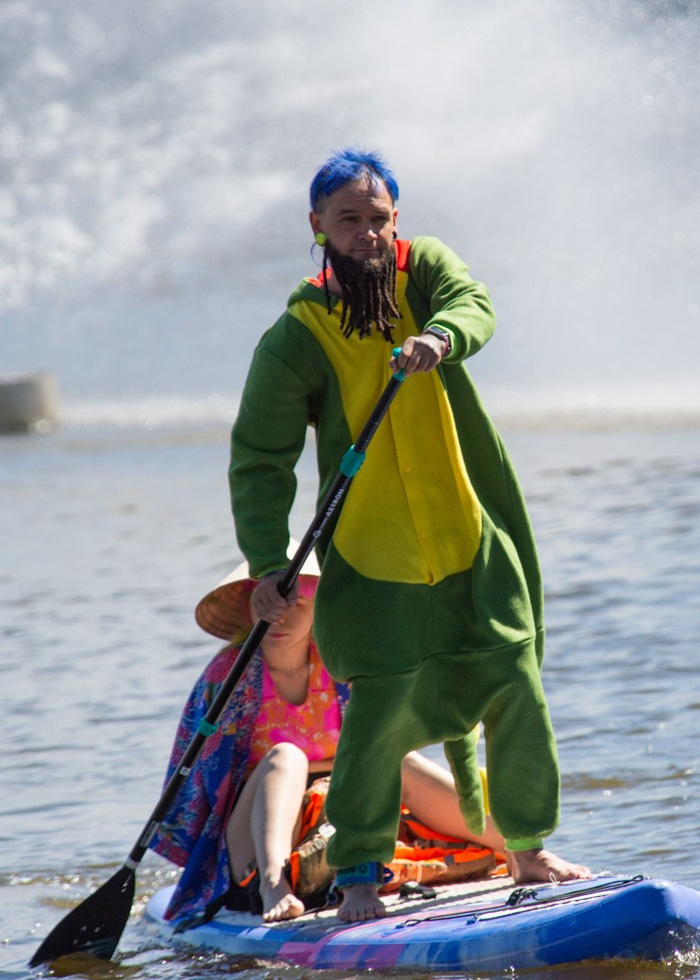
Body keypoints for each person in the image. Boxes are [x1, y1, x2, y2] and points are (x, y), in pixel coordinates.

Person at [229, 147, 590, 923]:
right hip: (372, 556)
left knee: (515, 684)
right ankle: (361, 875)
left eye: (379, 219)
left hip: (470, 536)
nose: (366, 234)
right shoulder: (298, 334)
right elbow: (261, 459)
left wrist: (443, 337)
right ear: (317, 226)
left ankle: (525, 849)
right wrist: (267, 562)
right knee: (381, 713)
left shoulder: (422, 272)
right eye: (348, 220)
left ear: (398, 220)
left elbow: (474, 300)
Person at [150, 547, 507, 925]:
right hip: (251, 850)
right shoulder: (227, 676)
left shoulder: (341, 666)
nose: (279, 616)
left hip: (336, 825)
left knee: (398, 760)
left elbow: (384, 743)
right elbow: (200, 789)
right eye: (265, 603)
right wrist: (311, 769)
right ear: (247, 607)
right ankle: (275, 886)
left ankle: (517, 847)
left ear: (323, 608)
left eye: (296, 603)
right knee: (286, 757)